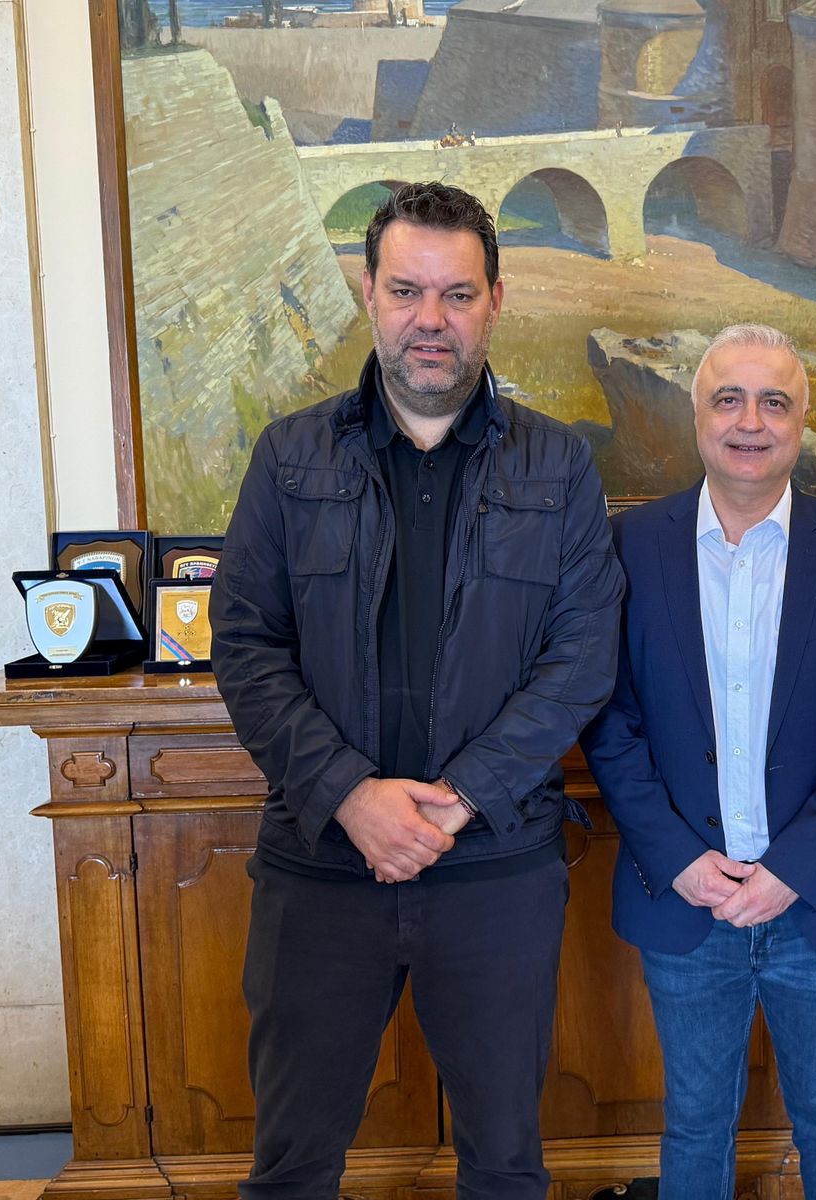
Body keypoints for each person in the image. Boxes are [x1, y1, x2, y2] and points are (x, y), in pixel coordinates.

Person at [209, 181, 624, 1200]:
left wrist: (463, 797)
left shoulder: (561, 466)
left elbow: (582, 656)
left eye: (456, 294)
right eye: (406, 291)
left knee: (504, 1167)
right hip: (320, 866)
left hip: (494, 869)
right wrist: (352, 796)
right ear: (369, 293)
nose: (429, 319)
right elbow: (246, 644)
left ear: (494, 301)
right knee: (290, 1169)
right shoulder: (290, 457)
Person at [580, 324, 816, 1199]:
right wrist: (679, 860)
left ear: (802, 420)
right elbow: (609, 720)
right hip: (686, 898)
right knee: (694, 1125)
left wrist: (792, 871)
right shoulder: (628, 547)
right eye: (728, 399)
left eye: (774, 402)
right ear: (696, 414)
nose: (750, 422)